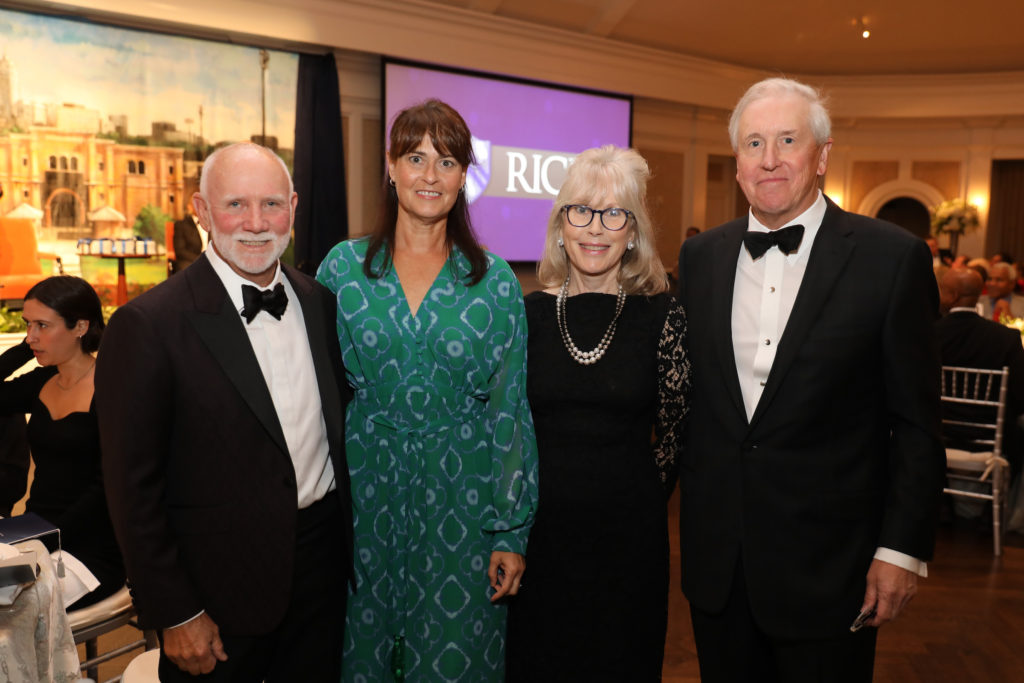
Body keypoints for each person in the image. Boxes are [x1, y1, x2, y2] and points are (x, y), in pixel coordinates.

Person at [676, 77, 945, 682]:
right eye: (753, 143)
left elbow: (918, 423)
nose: (769, 159)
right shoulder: (701, 259)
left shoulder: (891, 258)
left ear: (821, 155)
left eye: (788, 140)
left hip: (834, 570)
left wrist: (900, 550)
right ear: (737, 160)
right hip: (720, 568)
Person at [95, 142, 353, 682]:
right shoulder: (149, 326)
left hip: (320, 578)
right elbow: (131, 491)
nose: (256, 224)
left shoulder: (319, 302)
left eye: (272, 204)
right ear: (201, 210)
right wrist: (176, 612)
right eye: (235, 204)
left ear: (295, 207)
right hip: (214, 594)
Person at [316, 99, 538, 681]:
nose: (429, 175)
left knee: (456, 656)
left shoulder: (494, 283)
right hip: (365, 493)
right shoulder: (341, 270)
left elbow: (509, 411)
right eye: (415, 157)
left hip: (461, 499)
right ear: (390, 167)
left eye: (446, 162)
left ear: (465, 177)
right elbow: (315, 397)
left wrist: (510, 530)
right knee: (359, 652)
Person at [504, 145, 691, 681]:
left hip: (628, 542)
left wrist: (629, 494)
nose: (595, 227)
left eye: (614, 214)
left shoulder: (663, 315)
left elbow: (676, 432)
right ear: (561, 226)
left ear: (632, 232)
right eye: (580, 211)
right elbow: (509, 427)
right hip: (539, 541)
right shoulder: (528, 314)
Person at [0, 276, 124, 608]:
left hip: (92, 547)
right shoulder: (44, 379)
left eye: (42, 325)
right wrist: (26, 349)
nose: (31, 335)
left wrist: (41, 538)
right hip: (34, 533)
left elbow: (107, 488)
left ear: (81, 326)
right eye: (28, 325)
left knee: (12, 609)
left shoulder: (113, 387)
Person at [936, 268, 1024, 477]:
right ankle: (1012, 509)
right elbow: (1020, 396)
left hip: (937, 432)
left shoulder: (928, 335)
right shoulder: (1006, 338)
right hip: (992, 437)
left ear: (953, 296)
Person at [172, 207, 204, 273]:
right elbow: (180, 251)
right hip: (191, 260)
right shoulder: (181, 225)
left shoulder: (214, 224)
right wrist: (201, 260)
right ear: (190, 207)